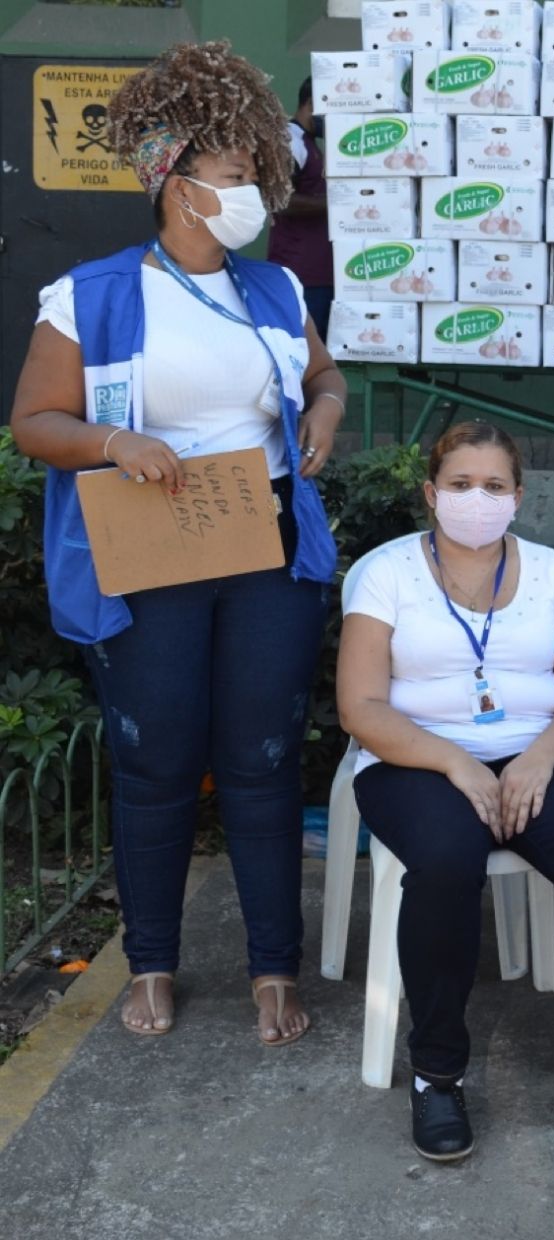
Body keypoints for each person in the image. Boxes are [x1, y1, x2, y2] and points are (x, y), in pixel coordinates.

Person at [9, 41, 343, 1045]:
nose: (254, 195)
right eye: (237, 177)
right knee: (153, 764)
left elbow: (321, 380)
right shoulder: (95, 294)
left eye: (256, 176)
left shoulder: (275, 291)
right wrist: (113, 440)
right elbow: (35, 422)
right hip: (147, 553)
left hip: (263, 547)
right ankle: (150, 961)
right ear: (177, 182)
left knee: (265, 757)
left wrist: (324, 414)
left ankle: (272, 967)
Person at [337, 422, 554, 1160]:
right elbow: (362, 707)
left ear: (518, 496)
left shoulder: (549, 570)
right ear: (430, 493)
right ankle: (437, 1075)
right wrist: (454, 763)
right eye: (461, 485)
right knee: (444, 860)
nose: (478, 499)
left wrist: (539, 759)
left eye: (494, 486)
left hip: (535, 752)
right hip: (412, 760)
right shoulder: (388, 572)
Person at [268, 77, 334, 340]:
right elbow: (279, 199)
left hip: (321, 273)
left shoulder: (310, 143)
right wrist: (340, 206)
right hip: (299, 274)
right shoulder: (289, 139)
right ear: (311, 103)